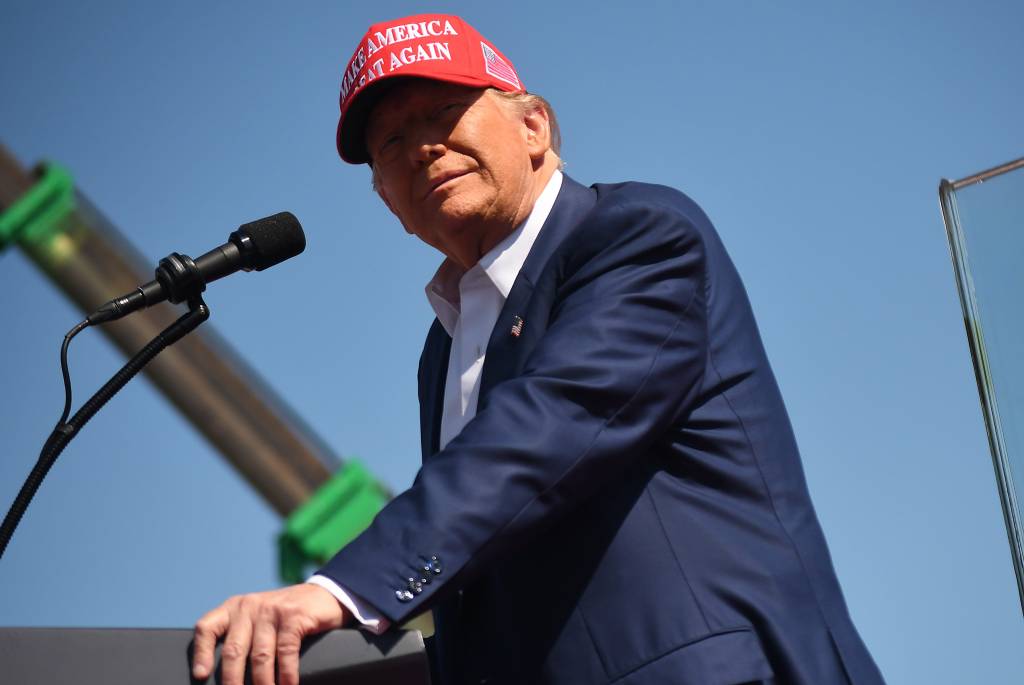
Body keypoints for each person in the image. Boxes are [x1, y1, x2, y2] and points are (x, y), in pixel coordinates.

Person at [192, 13, 886, 685]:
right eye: (392, 144)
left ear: (533, 127)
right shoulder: (445, 348)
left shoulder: (637, 236)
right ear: (386, 199)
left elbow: (545, 427)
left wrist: (342, 588)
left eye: (443, 113)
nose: (423, 149)